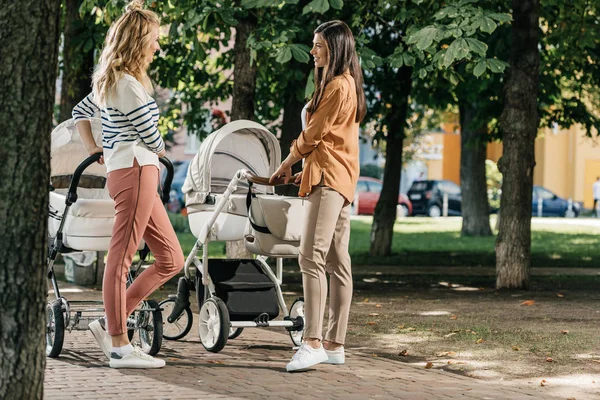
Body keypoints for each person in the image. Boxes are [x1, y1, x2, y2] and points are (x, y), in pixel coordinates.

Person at [72, 0, 184, 369]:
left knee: (171, 258)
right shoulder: (127, 85)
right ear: (137, 41)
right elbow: (152, 139)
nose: (156, 47)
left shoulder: (111, 81)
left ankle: (110, 322)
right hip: (137, 170)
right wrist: (156, 144)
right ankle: (119, 345)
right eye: (153, 40)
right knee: (121, 258)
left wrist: (95, 147)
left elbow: (79, 113)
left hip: (134, 172)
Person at [270, 20, 366, 372]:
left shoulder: (338, 86)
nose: (313, 52)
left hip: (329, 182)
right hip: (334, 178)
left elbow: (312, 136)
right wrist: (299, 172)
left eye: (319, 46)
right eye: (313, 45)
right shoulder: (342, 84)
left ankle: (311, 342)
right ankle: (335, 343)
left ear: (336, 49)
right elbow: (330, 142)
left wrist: (285, 163)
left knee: (310, 257)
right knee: (338, 263)